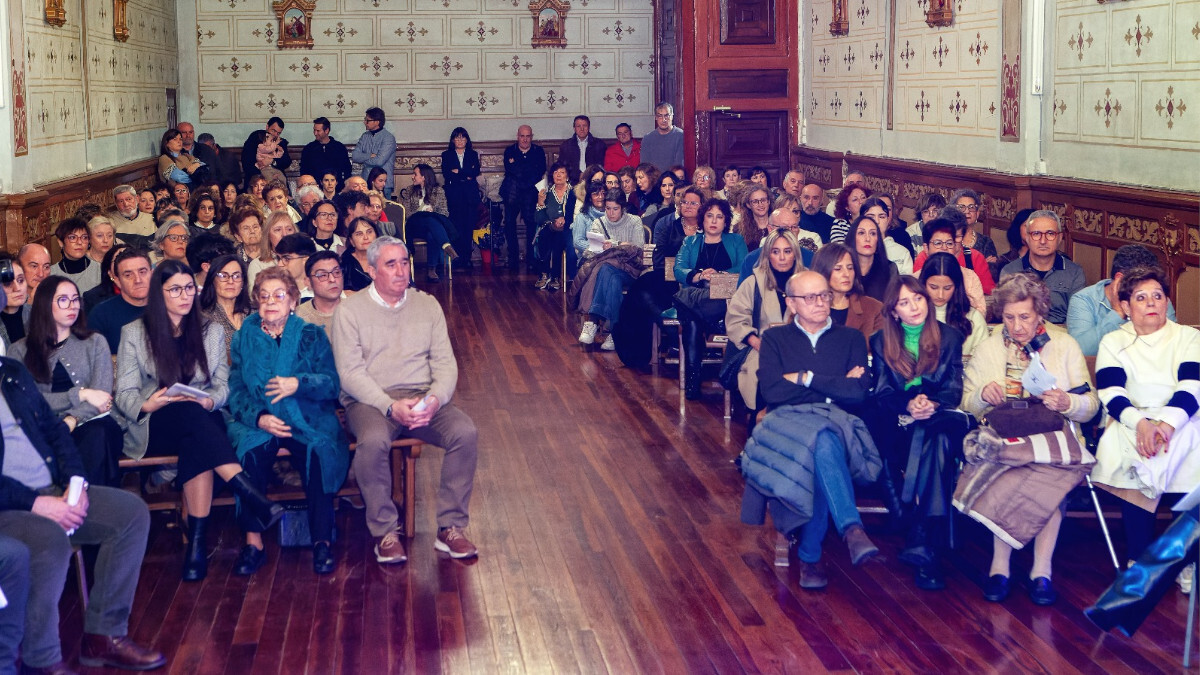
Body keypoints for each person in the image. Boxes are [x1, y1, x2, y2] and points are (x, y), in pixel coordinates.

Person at [115, 260, 284, 581]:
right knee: (192, 418)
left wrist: (210, 399)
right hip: (155, 423)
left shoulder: (211, 330)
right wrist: (150, 402)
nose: (184, 295)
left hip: (200, 420)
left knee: (196, 430)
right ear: (158, 293)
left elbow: (222, 384)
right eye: (175, 289)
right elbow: (124, 393)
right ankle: (246, 490)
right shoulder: (135, 333)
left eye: (189, 288)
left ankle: (196, 547)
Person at [0, 354, 165, 672]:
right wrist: (35, 504)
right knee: (48, 537)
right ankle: (41, 661)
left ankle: (104, 636)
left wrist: (76, 482)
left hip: (53, 489)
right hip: (10, 506)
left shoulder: (11, 371)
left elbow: (54, 430)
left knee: (130, 514)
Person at [332, 237, 480, 564]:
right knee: (372, 442)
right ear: (371, 271)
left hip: (422, 397)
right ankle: (385, 530)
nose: (401, 271)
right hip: (370, 401)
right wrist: (389, 406)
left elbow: (445, 363)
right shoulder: (350, 311)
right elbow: (350, 373)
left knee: (464, 433)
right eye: (391, 264)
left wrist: (433, 400)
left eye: (404, 262)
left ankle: (450, 527)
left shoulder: (426, 305)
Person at [960, 273, 1099, 605]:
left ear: (1040, 313)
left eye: (1025, 316)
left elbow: (1090, 406)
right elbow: (965, 403)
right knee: (1011, 469)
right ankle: (1000, 565)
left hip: (1053, 437)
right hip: (1004, 434)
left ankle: (1041, 569)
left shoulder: (1064, 345)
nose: (1017, 326)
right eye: (1009, 317)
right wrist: (982, 394)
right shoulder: (989, 346)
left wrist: (1069, 402)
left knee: (1049, 474)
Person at [747, 270, 880, 589]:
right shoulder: (775, 339)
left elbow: (859, 393)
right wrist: (835, 386)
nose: (821, 302)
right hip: (786, 428)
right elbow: (773, 393)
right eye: (810, 297)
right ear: (791, 303)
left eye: (824, 295)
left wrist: (805, 378)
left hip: (837, 425)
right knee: (821, 442)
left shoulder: (849, 338)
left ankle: (811, 556)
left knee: (822, 442)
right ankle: (851, 530)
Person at [227, 267, 348, 576]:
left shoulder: (311, 335)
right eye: (264, 296)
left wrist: (299, 383)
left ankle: (321, 541)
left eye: (279, 295)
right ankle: (253, 543)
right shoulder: (244, 338)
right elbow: (236, 389)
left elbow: (331, 384)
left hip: (306, 417)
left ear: (293, 301)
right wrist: (260, 417)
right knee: (250, 454)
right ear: (255, 301)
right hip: (261, 419)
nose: (271, 302)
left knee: (319, 453)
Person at [1091, 266, 1200, 573]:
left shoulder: (1188, 337)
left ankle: (1184, 561)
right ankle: (1139, 557)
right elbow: (1111, 392)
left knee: (1192, 458)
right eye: (1141, 297)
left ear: (1167, 302)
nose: (1151, 303)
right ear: (1125, 307)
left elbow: (1192, 387)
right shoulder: (1113, 342)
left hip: (1181, 419)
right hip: (1130, 421)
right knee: (1126, 452)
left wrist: (1165, 426)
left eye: (1157, 296)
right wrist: (1141, 425)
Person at [867, 276, 968, 590]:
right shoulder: (880, 341)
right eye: (904, 302)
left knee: (935, 438)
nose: (914, 308)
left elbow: (953, 390)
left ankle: (920, 538)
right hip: (900, 423)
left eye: (919, 299)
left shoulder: (950, 337)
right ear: (894, 311)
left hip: (940, 420)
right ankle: (930, 544)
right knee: (930, 444)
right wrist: (909, 405)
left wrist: (931, 404)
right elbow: (882, 395)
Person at [9, 277, 124, 488]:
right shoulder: (19, 350)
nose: (72, 306)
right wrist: (80, 394)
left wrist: (72, 420)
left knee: (98, 434)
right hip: (44, 428)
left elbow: (101, 397)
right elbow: (27, 401)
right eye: (63, 300)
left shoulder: (95, 342)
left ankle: (84, 506)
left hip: (93, 422)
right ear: (44, 305)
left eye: (75, 299)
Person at [673, 198, 747, 399]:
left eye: (719, 216)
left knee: (690, 311)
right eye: (709, 216)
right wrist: (699, 275)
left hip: (724, 299)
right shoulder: (690, 241)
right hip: (699, 295)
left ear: (726, 221)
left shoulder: (736, 241)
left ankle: (693, 380)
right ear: (702, 219)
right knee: (694, 319)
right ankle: (693, 379)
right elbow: (678, 269)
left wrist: (719, 275)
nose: (714, 221)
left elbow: (744, 268)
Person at [724, 229, 803, 412]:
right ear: (768, 255)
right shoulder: (753, 283)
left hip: (800, 348)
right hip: (761, 347)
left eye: (787, 251)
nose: (782, 257)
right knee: (762, 370)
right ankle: (759, 416)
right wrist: (757, 342)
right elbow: (736, 320)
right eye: (776, 252)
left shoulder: (808, 281)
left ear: (795, 254)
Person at [1067, 244, 1177, 357]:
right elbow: (1080, 350)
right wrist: (1118, 313)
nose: (1149, 297)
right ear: (1119, 279)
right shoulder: (1084, 299)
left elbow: (1170, 346)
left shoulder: (1158, 299)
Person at [573, 190, 647, 350]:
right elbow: (589, 251)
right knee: (610, 275)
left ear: (623, 208)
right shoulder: (598, 223)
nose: (611, 213)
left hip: (630, 269)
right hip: (608, 271)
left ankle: (592, 321)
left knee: (605, 269)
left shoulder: (634, 221)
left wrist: (614, 244)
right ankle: (615, 332)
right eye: (607, 208)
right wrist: (601, 248)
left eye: (615, 209)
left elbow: (639, 248)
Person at [998, 210, 1085, 324]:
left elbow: (1078, 318)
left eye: (1050, 234)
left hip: (1060, 335)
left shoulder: (1074, 272)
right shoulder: (1010, 271)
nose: (1043, 241)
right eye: (1036, 234)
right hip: (1021, 333)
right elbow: (1007, 316)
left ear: (1059, 238)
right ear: (1027, 238)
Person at [920, 252, 988, 360]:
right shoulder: (913, 314)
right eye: (933, 287)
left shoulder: (973, 318)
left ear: (956, 286)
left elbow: (984, 360)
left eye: (947, 288)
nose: (940, 295)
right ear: (923, 284)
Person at [810, 242, 883, 341]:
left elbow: (882, 351)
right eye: (838, 268)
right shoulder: (805, 307)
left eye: (850, 268)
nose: (846, 274)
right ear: (823, 271)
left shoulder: (874, 308)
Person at [915, 217, 988, 316]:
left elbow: (980, 313)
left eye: (949, 243)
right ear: (926, 248)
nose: (944, 248)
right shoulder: (914, 279)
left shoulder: (970, 277)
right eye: (938, 243)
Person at [499, 125, 547, 272]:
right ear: (517, 136)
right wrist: (526, 172)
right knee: (509, 224)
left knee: (531, 224)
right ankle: (513, 258)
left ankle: (531, 258)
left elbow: (539, 171)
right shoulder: (509, 151)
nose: (525, 139)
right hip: (512, 193)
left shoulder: (538, 151)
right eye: (522, 136)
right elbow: (511, 170)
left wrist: (523, 173)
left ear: (531, 137)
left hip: (531, 193)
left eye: (528, 136)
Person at [399, 164, 457, 282]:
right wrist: (423, 213)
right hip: (414, 225)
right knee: (429, 218)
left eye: (415, 174)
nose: (413, 177)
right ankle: (446, 245)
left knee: (432, 232)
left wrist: (432, 213)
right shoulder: (409, 190)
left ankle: (431, 270)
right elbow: (407, 213)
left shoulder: (438, 191)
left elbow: (444, 212)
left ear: (424, 177)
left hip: (431, 227)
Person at [87, 248, 152, 354]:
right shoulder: (101, 314)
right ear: (117, 280)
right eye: (128, 275)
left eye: (142, 272)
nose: (138, 280)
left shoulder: (168, 308)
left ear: (152, 273)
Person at [441, 127, 482, 270]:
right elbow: (447, 174)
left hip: (470, 196)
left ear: (467, 140)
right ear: (453, 140)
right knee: (456, 227)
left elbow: (475, 171)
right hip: (454, 196)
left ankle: (467, 258)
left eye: (462, 137)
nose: (460, 140)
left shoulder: (473, 154)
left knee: (468, 227)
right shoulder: (446, 155)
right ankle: (457, 258)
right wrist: (466, 175)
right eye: (457, 137)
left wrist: (459, 172)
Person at [533, 162, 577, 291]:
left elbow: (578, 212)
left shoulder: (574, 192)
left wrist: (565, 220)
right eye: (556, 172)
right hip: (550, 227)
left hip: (569, 228)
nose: (558, 175)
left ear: (567, 176)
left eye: (562, 172)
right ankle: (544, 274)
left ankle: (555, 277)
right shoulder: (546, 193)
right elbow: (538, 218)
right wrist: (540, 202)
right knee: (544, 236)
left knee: (558, 240)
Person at [198, 254, 250, 360]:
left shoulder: (255, 312)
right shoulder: (203, 317)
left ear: (243, 282)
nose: (230, 281)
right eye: (223, 276)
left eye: (236, 276)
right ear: (213, 280)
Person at [951, 189, 999, 280]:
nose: (967, 211)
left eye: (971, 207)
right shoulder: (949, 240)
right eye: (962, 207)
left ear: (977, 214)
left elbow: (992, 274)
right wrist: (981, 265)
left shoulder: (986, 242)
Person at [296, 250, 344, 338]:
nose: (332, 279)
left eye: (337, 272)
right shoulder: (298, 318)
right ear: (308, 282)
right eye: (322, 275)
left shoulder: (356, 311)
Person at [49, 217, 102, 294]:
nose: (79, 242)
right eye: (73, 237)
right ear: (60, 242)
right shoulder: (51, 274)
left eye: (84, 237)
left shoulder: (99, 270)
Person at [300, 117, 352, 194]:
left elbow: (347, 169)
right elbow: (304, 171)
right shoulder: (309, 149)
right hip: (315, 190)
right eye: (314, 130)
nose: (315, 133)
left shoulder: (339, 147)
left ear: (326, 130)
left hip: (337, 189)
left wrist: (344, 187)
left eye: (318, 131)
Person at [352, 107, 397, 197]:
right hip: (365, 183)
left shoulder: (388, 138)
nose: (365, 122)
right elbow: (355, 156)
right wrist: (370, 155)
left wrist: (364, 159)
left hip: (384, 186)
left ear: (377, 122)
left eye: (367, 120)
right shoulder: (365, 136)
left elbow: (379, 161)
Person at [851, 215, 897, 302]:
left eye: (872, 233)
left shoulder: (890, 269)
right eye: (861, 233)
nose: (867, 239)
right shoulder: (845, 269)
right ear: (852, 238)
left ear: (878, 239)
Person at [247, 211, 297, 288]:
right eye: (278, 230)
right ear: (268, 235)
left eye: (289, 229)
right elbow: (255, 298)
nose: (284, 234)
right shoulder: (257, 265)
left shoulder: (303, 259)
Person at [240, 117, 291, 190]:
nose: (275, 135)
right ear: (267, 127)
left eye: (278, 133)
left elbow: (287, 161)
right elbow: (247, 162)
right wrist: (263, 178)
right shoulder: (256, 138)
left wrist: (272, 161)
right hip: (256, 179)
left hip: (277, 178)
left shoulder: (280, 142)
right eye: (273, 131)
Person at [558, 115, 607, 183]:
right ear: (574, 128)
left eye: (584, 126)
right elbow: (563, 166)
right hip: (572, 181)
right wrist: (578, 175)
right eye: (578, 126)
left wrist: (587, 175)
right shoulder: (566, 145)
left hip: (593, 180)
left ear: (589, 127)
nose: (582, 129)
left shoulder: (599, 145)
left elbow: (600, 165)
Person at [641, 102, 685, 173]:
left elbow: (679, 164)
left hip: (674, 179)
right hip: (654, 180)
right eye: (660, 116)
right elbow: (644, 166)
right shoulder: (647, 138)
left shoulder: (680, 135)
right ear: (656, 117)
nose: (663, 120)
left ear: (672, 116)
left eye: (667, 115)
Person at [83, 243, 127, 313]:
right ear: (109, 271)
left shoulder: (148, 294)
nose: (125, 264)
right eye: (118, 259)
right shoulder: (92, 298)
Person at [341, 217, 379, 292]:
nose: (366, 237)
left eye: (369, 232)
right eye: (359, 234)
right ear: (351, 241)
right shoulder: (343, 263)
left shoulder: (388, 258)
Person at [734, 187, 772, 253]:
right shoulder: (739, 229)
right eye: (755, 201)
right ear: (748, 205)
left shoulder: (778, 224)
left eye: (763, 200)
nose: (760, 204)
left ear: (768, 201)